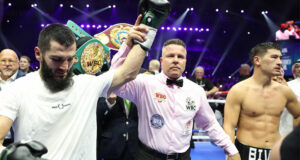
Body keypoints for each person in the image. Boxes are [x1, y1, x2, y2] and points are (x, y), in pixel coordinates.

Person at [0, 15, 150, 159]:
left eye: (70, 59)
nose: (64, 67)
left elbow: (127, 73)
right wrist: (8, 154)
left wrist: (146, 34)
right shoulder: (17, 89)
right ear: (38, 53)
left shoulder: (87, 84)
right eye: (56, 59)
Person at [111, 39, 240, 160]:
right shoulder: (145, 83)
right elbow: (114, 81)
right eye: (170, 56)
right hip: (148, 156)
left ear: (185, 61)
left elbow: (209, 123)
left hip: (183, 156)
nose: (176, 60)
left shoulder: (196, 90)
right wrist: (127, 46)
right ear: (162, 60)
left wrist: (232, 150)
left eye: (180, 57)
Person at [224, 42, 300, 160]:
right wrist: (231, 152)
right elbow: (229, 126)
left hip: (275, 152)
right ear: (257, 60)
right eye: (274, 57)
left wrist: (293, 140)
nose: (279, 62)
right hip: (246, 151)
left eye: (280, 58)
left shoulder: (284, 91)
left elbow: (298, 115)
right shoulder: (238, 90)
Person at [97, 93, 138, 160]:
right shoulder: (108, 87)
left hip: (132, 147)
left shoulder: (138, 91)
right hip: (111, 145)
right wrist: (109, 102)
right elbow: (99, 112)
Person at [0, 49, 26, 147]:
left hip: (18, 142)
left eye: (11, 61)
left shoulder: (27, 82)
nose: (7, 64)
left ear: (18, 63)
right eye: (3, 61)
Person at [279, 59, 300, 136]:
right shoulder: (285, 85)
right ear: (293, 70)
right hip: (284, 131)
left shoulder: (286, 86)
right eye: (297, 66)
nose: (299, 68)